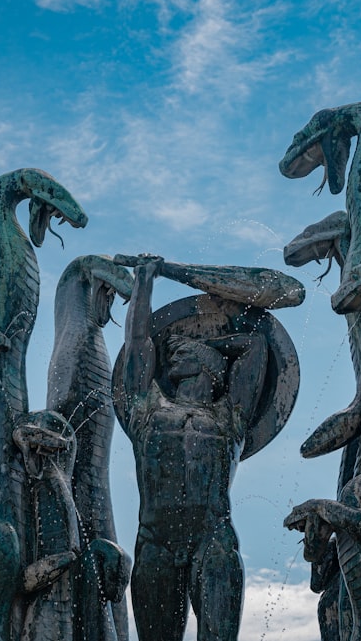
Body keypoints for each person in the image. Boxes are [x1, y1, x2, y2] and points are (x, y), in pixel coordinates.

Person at [118, 255, 268, 641]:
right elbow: (136, 341)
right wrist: (145, 279)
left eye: (184, 352)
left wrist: (210, 346)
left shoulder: (229, 416)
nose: (172, 356)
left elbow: (255, 346)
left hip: (213, 540)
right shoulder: (146, 409)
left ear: (210, 368)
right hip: (155, 541)